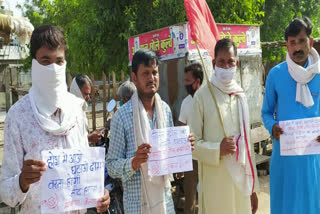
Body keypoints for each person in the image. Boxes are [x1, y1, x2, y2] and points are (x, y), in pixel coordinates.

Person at [0, 25, 110, 214]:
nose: (53, 68)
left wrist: (100, 195)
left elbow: (83, 172)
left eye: (59, 61)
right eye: (46, 60)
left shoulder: (76, 110)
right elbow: (7, 195)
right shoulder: (18, 116)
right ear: (34, 62)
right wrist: (22, 181)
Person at [106, 49, 195, 214]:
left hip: (164, 201)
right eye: (145, 73)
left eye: (154, 72)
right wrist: (133, 162)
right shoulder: (121, 117)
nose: (151, 78)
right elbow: (111, 165)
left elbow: (170, 159)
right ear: (134, 78)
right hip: (137, 205)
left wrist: (182, 150)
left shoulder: (165, 110)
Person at [190, 38, 259, 214]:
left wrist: (253, 189)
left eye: (231, 62)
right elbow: (190, 145)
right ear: (214, 64)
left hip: (242, 184)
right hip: (216, 185)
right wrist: (216, 149)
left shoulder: (240, 96)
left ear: (237, 63)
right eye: (222, 62)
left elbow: (249, 147)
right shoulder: (202, 96)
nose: (227, 67)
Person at [261, 17, 320, 214]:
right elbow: (266, 112)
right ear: (286, 45)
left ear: (310, 42)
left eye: (301, 41)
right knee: (285, 205)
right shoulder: (276, 75)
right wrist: (272, 127)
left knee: (312, 204)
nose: (297, 48)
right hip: (285, 156)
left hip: (314, 159)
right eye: (292, 42)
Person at [178, 63, 203, 214]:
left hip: (209, 155)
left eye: (188, 81)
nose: (185, 84)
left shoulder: (209, 100)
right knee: (190, 197)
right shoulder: (186, 102)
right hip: (191, 156)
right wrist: (181, 160)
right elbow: (181, 128)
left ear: (197, 81)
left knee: (209, 194)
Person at [70, 74, 103, 144]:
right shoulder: (68, 112)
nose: (88, 97)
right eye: (85, 94)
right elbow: (69, 140)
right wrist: (88, 138)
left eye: (89, 94)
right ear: (77, 91)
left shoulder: (81, 110)